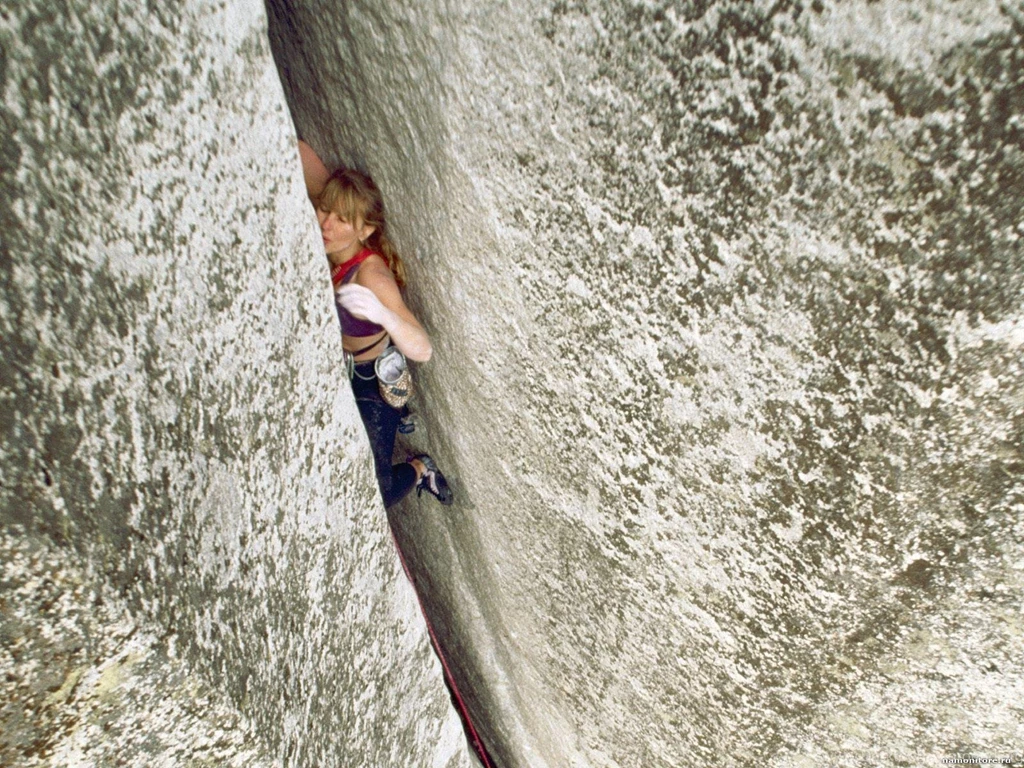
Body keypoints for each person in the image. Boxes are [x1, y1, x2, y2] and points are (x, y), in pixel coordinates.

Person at [299, 140, 452, 506]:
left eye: (341, 220)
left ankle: (420, 468)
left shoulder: (371, 277)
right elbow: (301, 149)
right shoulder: (331, 224)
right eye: (323, 210)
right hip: (340, 365)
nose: (325, 224)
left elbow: (423, 348)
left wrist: (381, 313)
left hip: (368, 380)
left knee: (376, 491)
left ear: (364, 231)